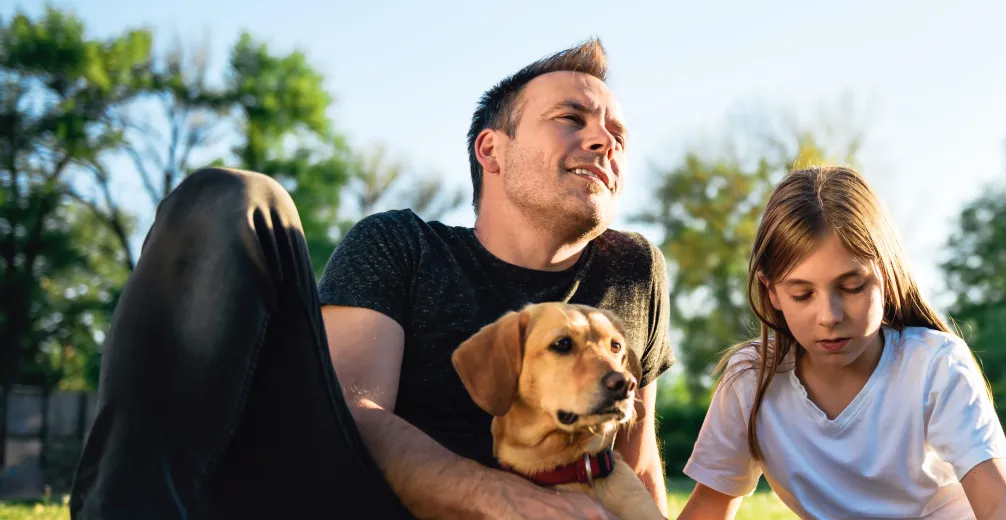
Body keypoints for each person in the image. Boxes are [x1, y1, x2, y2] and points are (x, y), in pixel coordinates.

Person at [68, 38, 675, 520]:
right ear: (492, 151)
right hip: (355, 500)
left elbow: (635, 464)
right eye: (571, 118)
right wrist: (502, 499)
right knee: (235, 199)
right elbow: (351, 410)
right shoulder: (400, 245)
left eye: (617, 135)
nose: (604, 141)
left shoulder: (632, 268)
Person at [674, 166, 1006, 520]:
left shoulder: (934, 365)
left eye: (852, 287)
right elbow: (709, 507)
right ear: (770, 291)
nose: (830, 316)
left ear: (886, 275)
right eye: (802, 294)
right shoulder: (750, 380)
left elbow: (998, 501)